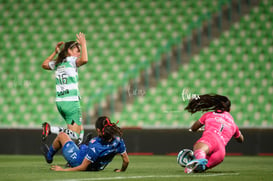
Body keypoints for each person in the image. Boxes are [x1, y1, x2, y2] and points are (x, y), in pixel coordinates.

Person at [41, 32, 88, 144]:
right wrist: (84, 44)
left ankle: (75, 153)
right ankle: (51, 129)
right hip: (71, 102)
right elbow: (85, 60)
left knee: (80, 129)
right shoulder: (71, 60)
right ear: (69, 51)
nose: (79, 52)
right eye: (77, 50)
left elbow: (44, 64)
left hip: (60, 102)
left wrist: (55, 52)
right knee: (75, 135)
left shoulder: (58, 63)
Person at [41, 116, 129, 172]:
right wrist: (121, 170)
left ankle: (49, 157)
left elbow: (83, 167)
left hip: (78, 161)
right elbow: (126, 160)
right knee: (85, 148)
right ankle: (83, 145)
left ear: (98, 130)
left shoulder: (95, 144)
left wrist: (63, 170)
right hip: (98, 166)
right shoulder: (118, 141)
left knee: (62, 135)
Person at [183, 94, 244, 173]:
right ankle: (200, 164)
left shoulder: (208, 115)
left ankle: (199, 158)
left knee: (199, 148)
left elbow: (193, 128)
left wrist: (201, 129)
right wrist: (237, 132)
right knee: (199, 169)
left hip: (210, 140)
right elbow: (241, 140)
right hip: (220, 153)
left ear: (216, 106)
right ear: (229, 109)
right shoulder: (234, 125)